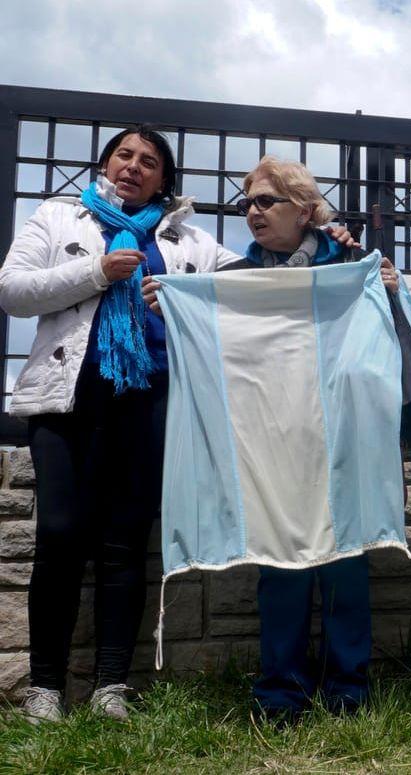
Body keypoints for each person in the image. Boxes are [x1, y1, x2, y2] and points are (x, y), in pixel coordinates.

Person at [144, 156, 399, 723]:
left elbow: (388, 343)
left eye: (266, 202)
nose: (252, 213)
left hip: (341, 440)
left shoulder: (350, 263)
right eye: (248, 204)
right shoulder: (232, 280)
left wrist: (388, 289)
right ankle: (281, 694)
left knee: (345, 564)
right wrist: (179, 312)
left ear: (305, 210)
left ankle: (347, 692)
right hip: (272, 446)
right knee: (279, 566)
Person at [0, 126, 239, 723]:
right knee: (58, 536)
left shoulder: (189, 238)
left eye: (150, 162)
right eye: (124, 155)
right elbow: (12, 291)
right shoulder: (58, 218)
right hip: (67, 400)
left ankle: (111, 686)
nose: (134, 167)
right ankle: (45, 688)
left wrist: (325, 242)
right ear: (105, 163)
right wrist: (98, 273)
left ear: (166, 179)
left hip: (151, 400)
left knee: (124, 544)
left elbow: (249, 287)